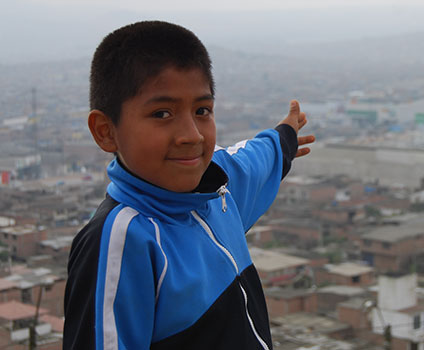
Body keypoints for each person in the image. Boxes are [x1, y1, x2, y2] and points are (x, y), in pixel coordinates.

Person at [63, 20, 315, 349]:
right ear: (106, 131)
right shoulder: (122, 242)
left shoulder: (216, 192)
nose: (191, 135)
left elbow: (252, 162)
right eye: (162, 114)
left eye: (202, 110)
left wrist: (284, 138)